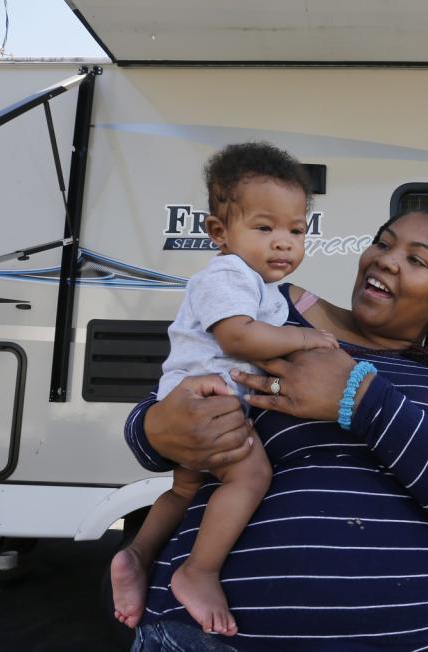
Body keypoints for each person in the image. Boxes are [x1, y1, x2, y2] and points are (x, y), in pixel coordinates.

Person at [123, 206, 428, 651]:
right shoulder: (271, 319)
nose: (386, 259)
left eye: (417, 259)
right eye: (383, 243)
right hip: (205, 638)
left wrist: (365, 401)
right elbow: (160, 411)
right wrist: (156, 427)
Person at [111, 142, 338, 635]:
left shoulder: (263, 287)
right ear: (220, 232)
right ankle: (199, 572)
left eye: (296, 231)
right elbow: (238, 337)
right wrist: (303, 340)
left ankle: (136, 556)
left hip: (204, 395)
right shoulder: (228, 274)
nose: (283, 243)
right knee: (250, 478)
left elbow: (259, 353)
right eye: (264, 228)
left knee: (182, 491)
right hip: (209, 399)